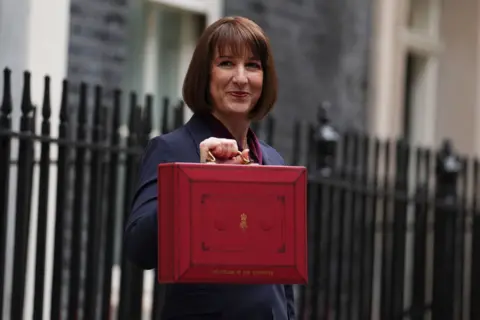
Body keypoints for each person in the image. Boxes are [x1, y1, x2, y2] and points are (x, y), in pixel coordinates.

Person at [124, 16, 295, 320]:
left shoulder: (273, 160)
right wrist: (198, 179)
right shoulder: (172, 149)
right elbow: (140, 249)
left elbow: (282, 279)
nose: (241, 78)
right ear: (205, 75)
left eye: (253, 66)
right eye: (226, 63)